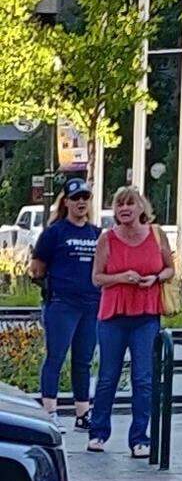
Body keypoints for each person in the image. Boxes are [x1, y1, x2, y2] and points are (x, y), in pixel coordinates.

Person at [88, 187, 175, 457]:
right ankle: (98, 433)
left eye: (130, 204)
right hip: (113, 315)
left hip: (146, 314)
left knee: (143, 378)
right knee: (108, 377)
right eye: (119, 204)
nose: (124, 209)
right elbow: (97, 278)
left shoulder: (157, 235)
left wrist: (156, 278)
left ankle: (140, 438)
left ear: (141, 208)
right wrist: (121, 278)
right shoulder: (107, 239)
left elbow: (170, 268)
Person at [31, 178, 101, 433]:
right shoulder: (55, 233)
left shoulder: (96, 234)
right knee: (56, 357)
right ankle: (50, 410)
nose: (81, 202)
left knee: (83, 360)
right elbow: (37, 268)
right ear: (67, 202)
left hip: (91, 304)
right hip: (62, 304)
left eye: (85, 198)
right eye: (76, 198)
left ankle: (83, 413)